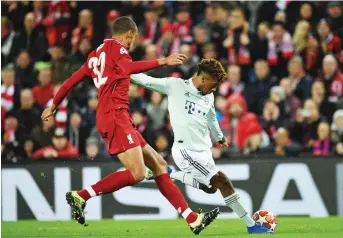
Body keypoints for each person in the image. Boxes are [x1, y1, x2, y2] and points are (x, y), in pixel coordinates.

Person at [41, 16, 218, 234]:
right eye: (132, 39)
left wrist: (53, 105)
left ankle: (193, 219)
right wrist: (163, 61)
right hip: (115, 116)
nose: (131, 44)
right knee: (137, 173)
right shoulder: (117, 48)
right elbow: (128, 67)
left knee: (159, 166)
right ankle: (81, 195)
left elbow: (70, 81)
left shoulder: (94, 56)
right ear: (128, 35)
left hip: (115, 117)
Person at [131, 58, 273, 234]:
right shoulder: (175, 86)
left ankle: (169, 173)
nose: (214, 89)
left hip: (204, 151)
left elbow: (211, 118)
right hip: (186, 151)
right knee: (223, 181)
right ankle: (251, 226)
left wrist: (219, 137)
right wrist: (122, 70)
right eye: (213, 85)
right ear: (203, 79)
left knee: (211, 188)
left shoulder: (209, 96)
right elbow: (145, 80)